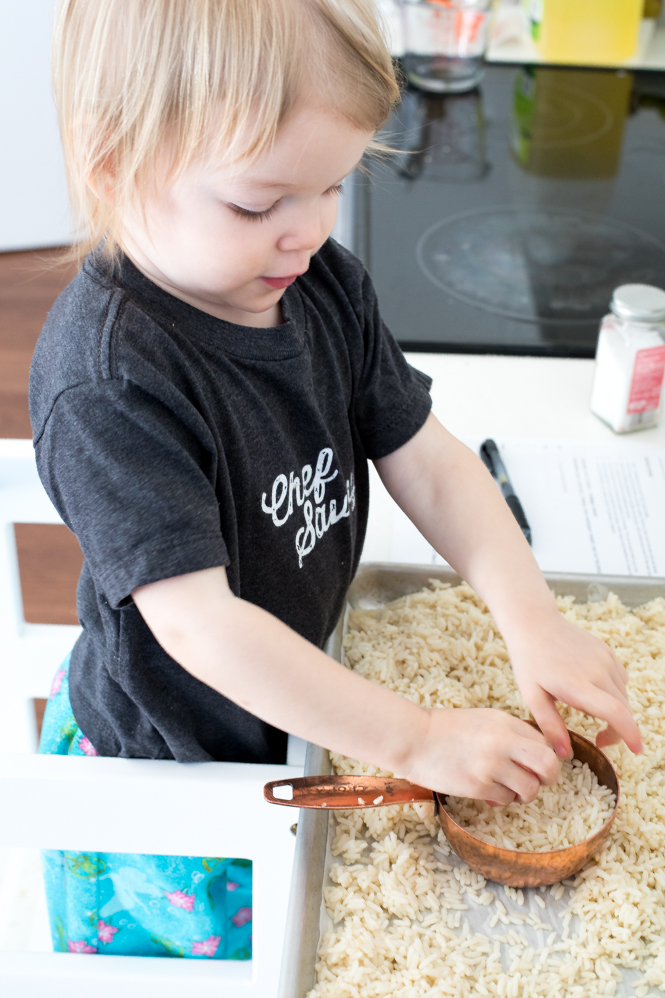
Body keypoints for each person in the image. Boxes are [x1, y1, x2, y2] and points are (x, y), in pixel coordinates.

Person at [31, 0, 641, 961]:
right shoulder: (110, 380)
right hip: (181, 762)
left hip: (311, 699)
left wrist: (534, 617)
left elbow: (430, 462)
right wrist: (416, 738)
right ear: (114, 166)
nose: (306, 231)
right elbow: (199, 627)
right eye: (256, 202)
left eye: (332, 185)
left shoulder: (318, 284)